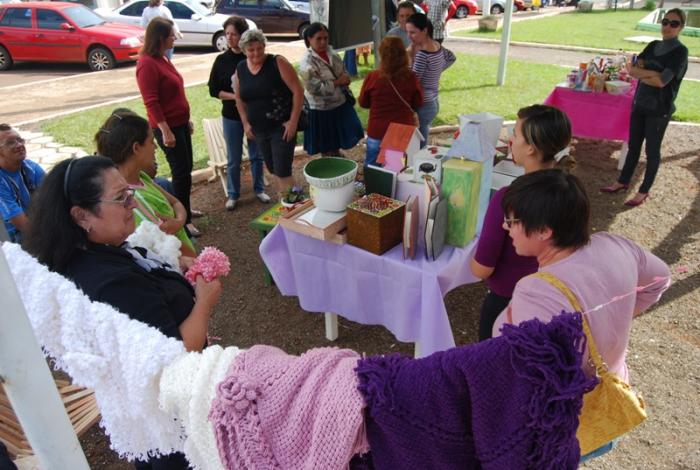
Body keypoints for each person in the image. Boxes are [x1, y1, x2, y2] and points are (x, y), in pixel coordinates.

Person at [23, 156, 223, 469]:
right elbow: (175, 355)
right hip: (177, 423)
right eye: (121, 198)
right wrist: (204, 302)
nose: (132, 203)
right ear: (81, 215)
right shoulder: (110, 283)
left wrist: (170, 267)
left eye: (129, 192)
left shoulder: (97, 251)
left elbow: (148, 299)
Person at [493, 169, 670, 460]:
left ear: (544, 231)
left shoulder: (535, 291)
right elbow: (660, 277)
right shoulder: (617, 245)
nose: (504, 226)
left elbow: (525, 375)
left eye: (512, 220)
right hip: (608, 403)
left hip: (563, 426)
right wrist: (622, 313)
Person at [470, 105, 576, 341]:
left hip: (506, 302)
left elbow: (482, 268)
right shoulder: (569, 191)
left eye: (516, 134)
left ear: (530, 147)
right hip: (552, 298)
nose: (510, 139)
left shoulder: (508, 199)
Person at [600, 8, 688, 207]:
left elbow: (662, 82)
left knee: (652, 151)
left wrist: (642, 73)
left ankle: (643, 191)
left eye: (673, 24)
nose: (667, 27)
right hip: (640, 104)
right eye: (665, 22)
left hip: (659, 108)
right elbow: (633, 70)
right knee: (633, 146)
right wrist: (650, 73)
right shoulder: (653, 45)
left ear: (681, 27)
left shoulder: (680, 51)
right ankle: (622, 182)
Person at [95, 109, 197, 258]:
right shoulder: (133, 199)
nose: (155, 147)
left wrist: (180, 221)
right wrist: (199, 264)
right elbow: (165, 245)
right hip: (180, 263)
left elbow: (175, 202)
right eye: (151, 142)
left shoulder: (142, 177)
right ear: (136, 148)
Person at [136, 17, 201, 237]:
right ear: (161, 38)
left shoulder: (163, 58)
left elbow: (174, 93)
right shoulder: (146, 63)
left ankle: (186, 208)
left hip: (180, 123)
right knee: (180, 171)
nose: (175, 37)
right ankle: (184, 221)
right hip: (168, 127)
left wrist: (186, 119)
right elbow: (151, 101)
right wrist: (165, 130)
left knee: (187, 168)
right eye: (172, 35)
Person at [208, 15, 270, 211]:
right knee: (233, 159)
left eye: (233, 34)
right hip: (231, 117)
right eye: (227, 34)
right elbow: (213, 90)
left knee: (256, 155)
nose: (229, 38)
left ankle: (259, 189)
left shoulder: (251, 56)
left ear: (242, 35)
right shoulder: (221, 60)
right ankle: (233, 194)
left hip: (255, 115)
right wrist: (235, 97)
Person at [233, 30, 304, 196]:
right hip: (259, 129)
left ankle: (295, 205)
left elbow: (298, 91)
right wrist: (245, 123)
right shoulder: (241, 68)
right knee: (273, 169)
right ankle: (288, 203)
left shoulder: (277, 62)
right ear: (244, 51)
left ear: (264, 46)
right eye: (251, 50)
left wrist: (293, 121)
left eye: (259, 48)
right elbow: (239, 98)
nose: (256, 53)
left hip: (281, 126)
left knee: (283, 170)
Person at [299, 22, 364, 158]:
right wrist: (338, 82)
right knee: (326, 145)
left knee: (342, 137)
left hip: (340, 102)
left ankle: (336, 157)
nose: (323, 42)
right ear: (309, 40)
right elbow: (314, 88)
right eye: (319, 38)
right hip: (320, 109)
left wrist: (344, 79)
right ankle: (330, 165)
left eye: (325, 38)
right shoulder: (306, 62)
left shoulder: (332, 53)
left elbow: (343, 71)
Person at [358, 36, 424, 167]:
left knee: (372, 166)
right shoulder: (411, 77)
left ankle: (373, 187)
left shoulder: (373, 77)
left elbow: (363, 102)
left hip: (377, 130)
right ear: (403, 54)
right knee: (399, 169)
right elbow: (418, 102)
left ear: (381, 54)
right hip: (402, 130)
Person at [406, 13, 456, 147]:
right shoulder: (437, 45)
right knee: (423, 135)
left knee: (420, 144)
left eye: (413, 32)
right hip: (433, 100)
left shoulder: (422, 54)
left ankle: (421, 165)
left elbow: (412, 80)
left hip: (423, 103)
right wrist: (435, 73)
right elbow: (451, 58)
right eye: (407, 32)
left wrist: (410, 57)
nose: (409, 36)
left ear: (425, 30)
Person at [0, 123, 44, 244]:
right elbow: (21, 224)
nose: (19, 145)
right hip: (13, 238)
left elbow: (53, 201)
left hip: (37, 224)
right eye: (10, 143)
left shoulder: (32, 168)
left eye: (19, 140)